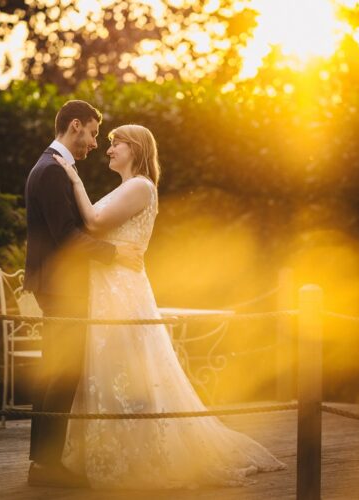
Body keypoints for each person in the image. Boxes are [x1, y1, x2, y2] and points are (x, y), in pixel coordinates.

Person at [52, 124, 286, 489]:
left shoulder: (140, 186)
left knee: (127, 369)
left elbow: (94, 222)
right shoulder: (126, 187)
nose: (108, 149)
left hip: (121, 291)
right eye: (109, 143)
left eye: (116, 143)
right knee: (110, 371)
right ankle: (111, 450)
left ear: (137, 148)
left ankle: (143, 454)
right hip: (109, 288)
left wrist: (74, 181)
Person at [23, 100, 144, 488]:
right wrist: (115, 255)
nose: (94, 143)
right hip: (61, 289)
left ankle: (42, 463)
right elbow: (68, 238)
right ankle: (46, 467)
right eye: (93, 132)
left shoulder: (54, 167)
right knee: (61, 376)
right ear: (75, 126)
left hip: (56, 287)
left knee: (56, 375)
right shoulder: (52, 171)